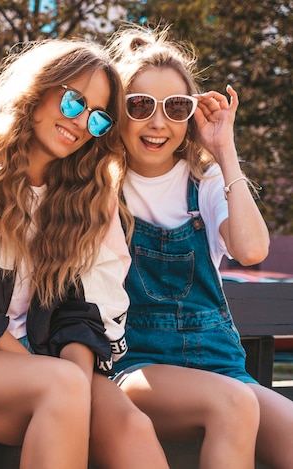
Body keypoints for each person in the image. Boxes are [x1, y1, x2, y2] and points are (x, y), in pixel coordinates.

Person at [0, 39, 169, 468]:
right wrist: (58, 376)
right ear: (36, 91)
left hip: (56, 374)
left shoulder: (93, 203)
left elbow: (87, 314)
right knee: (63, 388)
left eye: (98, 117)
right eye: (74, 101)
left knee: (131, 425)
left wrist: (68, 374)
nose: (81, 121)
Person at [107, 25, 293, 468]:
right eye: (140, 105)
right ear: (119, 113)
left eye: (175, 107)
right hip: (136, 365)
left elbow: (251, 251)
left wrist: (224, 150)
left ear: (191, 115)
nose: (158, 122)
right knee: (232, 404)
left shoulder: (205, 180)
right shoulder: (100, 184)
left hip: (220, 367)